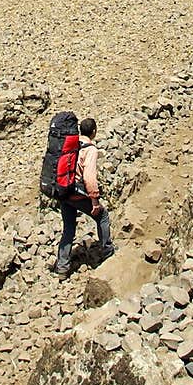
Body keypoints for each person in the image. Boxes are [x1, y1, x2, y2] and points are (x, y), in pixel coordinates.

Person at [53, 116, 114, 276]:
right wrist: (94, 199)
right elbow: (89, 177)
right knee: (102, 216)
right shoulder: (91, 149)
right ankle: (108, 253)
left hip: (64, 191)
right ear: (94, 132)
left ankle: (62, 267)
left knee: (68, 229)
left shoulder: (70, 143)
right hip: (77, 192)